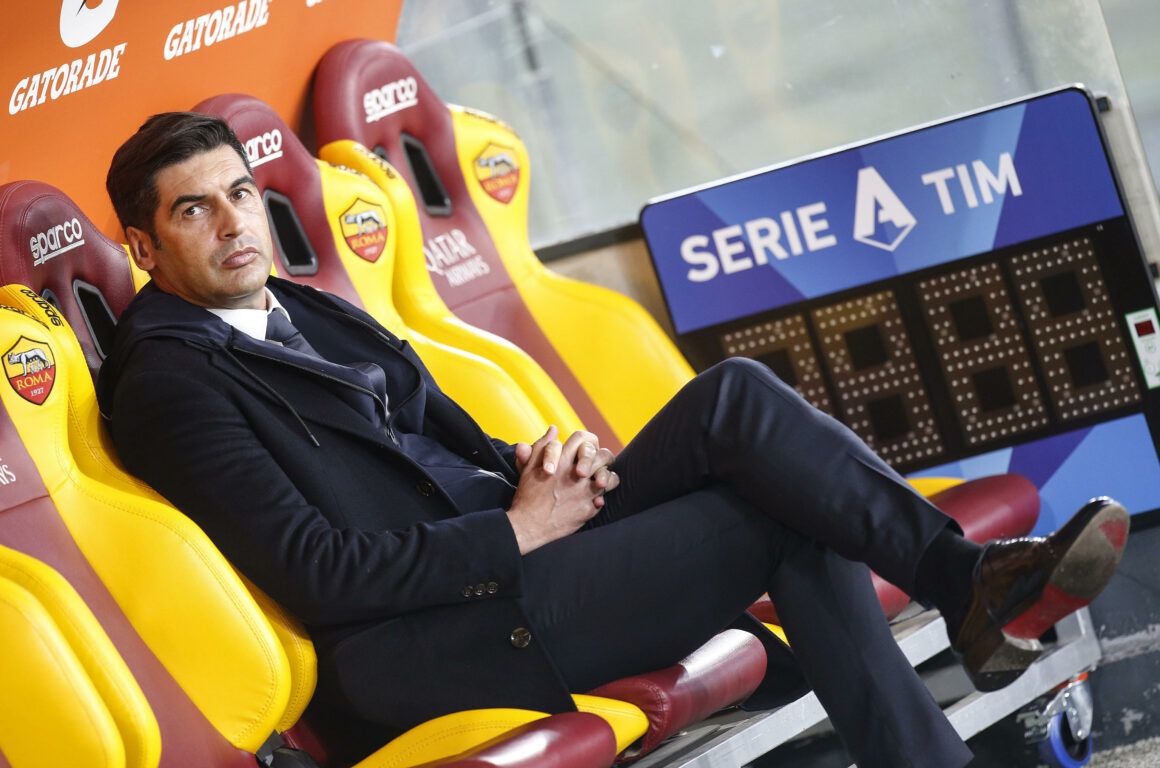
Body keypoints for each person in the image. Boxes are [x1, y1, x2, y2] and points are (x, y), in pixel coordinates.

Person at [96, 112, 1128, 768]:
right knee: (777, 516)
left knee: (734, 398)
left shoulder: (301, 307)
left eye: (240, 194)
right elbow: (320, 573)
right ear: (143, 246)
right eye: (195, 211)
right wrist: (520, 528)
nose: (233, 223)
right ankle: (970, 599)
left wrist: (540, 467)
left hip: (519, 549)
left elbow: (440, 437)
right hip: (445, 635)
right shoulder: (169, 382)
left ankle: (967, 582)